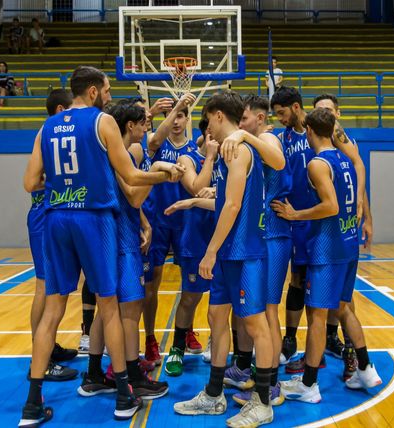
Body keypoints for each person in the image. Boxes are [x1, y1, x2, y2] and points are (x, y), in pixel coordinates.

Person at [18, 66, 184, 426]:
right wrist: (165, 173)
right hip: (93, 219)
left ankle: (32, 405)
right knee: (109, 305)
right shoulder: (102, 122)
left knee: (53, 309)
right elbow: (132, 176)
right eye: (107, 90)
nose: (109, 96)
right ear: (92, 92)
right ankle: (124, 394)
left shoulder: (48, 126)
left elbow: (30, 182)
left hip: (57, 217)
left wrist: (65, 184)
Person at [174, 91, 274, 427]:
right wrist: (192, 203)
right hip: (229, 253)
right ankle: (214, 395)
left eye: (207, 121)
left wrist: (211, 250)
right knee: (217, 317)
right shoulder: (225, 152)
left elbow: (232, 206)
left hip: (244, 253)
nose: (207, 132)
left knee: (256, 325)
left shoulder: (239, 150)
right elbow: (224, 202)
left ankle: (262, 402)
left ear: (218, 115)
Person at [272, 107, 382, 403]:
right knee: (344, 309)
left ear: (309, 131)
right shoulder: (346, 158)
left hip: (326, 248)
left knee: (318, 318)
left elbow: (330, 206)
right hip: (348, 246)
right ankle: (366, 368)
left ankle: (309, 384)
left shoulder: (317, 164)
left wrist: (296, 215)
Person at [78, 100, 170, 400]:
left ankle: (93, 373)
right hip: (120, 238)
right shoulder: (128, 151)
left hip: (111, 234)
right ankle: (133, 376)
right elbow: (132, 195)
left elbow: (126, 197)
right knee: (130, 309)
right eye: (144, 121)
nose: (148, 126)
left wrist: (144, 222)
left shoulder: (111, 150)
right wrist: (158, 172)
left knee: (108, 310)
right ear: (130, 126)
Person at [229, 95, 291, 407]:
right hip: (263, 234)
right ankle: (258, 373)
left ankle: (273, 385)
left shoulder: (267, 138)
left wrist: (244, 135)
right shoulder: (254, 144)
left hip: (274, 235)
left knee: (267, 312)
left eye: (244, 119)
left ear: (260, 118)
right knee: (255, 312)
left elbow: (278, 160)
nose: (240, 125)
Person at [25, 88, 79, 383]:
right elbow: (31, 183)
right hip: (45, 216)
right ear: (61, 110)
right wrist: (60, 182)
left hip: (53, 216)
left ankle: (49, 348)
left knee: (54, 289)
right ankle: (40, 359)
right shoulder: (48, 132)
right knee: (44, 288)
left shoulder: (57, 134)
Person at [142, 93, 199, 367]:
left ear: (188, 120)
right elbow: (152, 140)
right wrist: (176, 104)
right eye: (172, 115)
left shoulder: (196, 150)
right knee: (152, 281)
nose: (176, 120)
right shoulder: (157, 146)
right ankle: (150, 339)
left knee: (191, 282)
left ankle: (186, 330)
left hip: (187, 222)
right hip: (157, 221)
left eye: (180, 116)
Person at [163, 115, 219, 377]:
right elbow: (197, 188)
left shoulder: (233, 157)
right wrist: (209, 157)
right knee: (190, 297)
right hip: (196, 238)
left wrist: (217, 192)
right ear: (207, 132)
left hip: (224, 238)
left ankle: (216, 341)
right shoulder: (187, 159)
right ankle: (177, 348)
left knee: (223, 299)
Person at [270, 87, 316, 367]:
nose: (280, 119)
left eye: (283, 113)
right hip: (291, 219)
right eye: (275, 115)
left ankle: (327, 340)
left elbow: (354, 161)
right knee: (296, 280)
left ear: (296, 107)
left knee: (318, 283)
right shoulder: (281, 138)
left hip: (316, 217)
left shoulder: (320, 133)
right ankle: (290, 338)